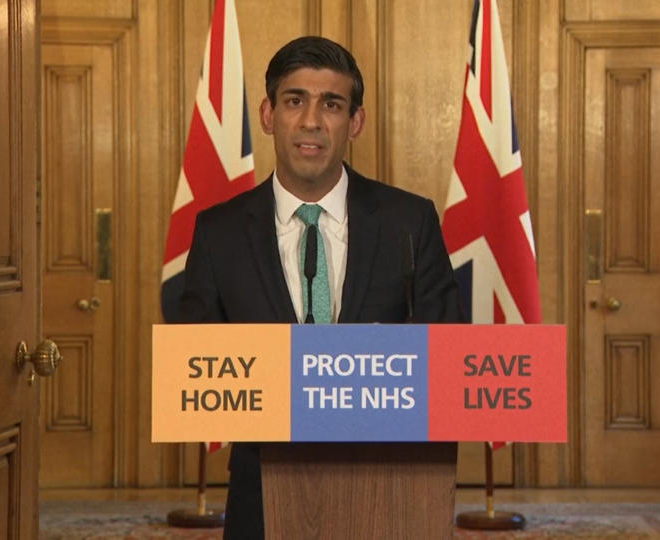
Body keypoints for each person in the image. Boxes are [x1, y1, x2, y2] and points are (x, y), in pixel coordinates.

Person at [175, 35, 464, 540]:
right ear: (268, 115)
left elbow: (450, 349)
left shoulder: (409, 221)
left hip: (389, 488)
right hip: (262, 491)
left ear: (355, 122)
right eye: (295, 101)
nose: (311, 121)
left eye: (331, 104)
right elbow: (195, 364)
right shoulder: (216, 231)